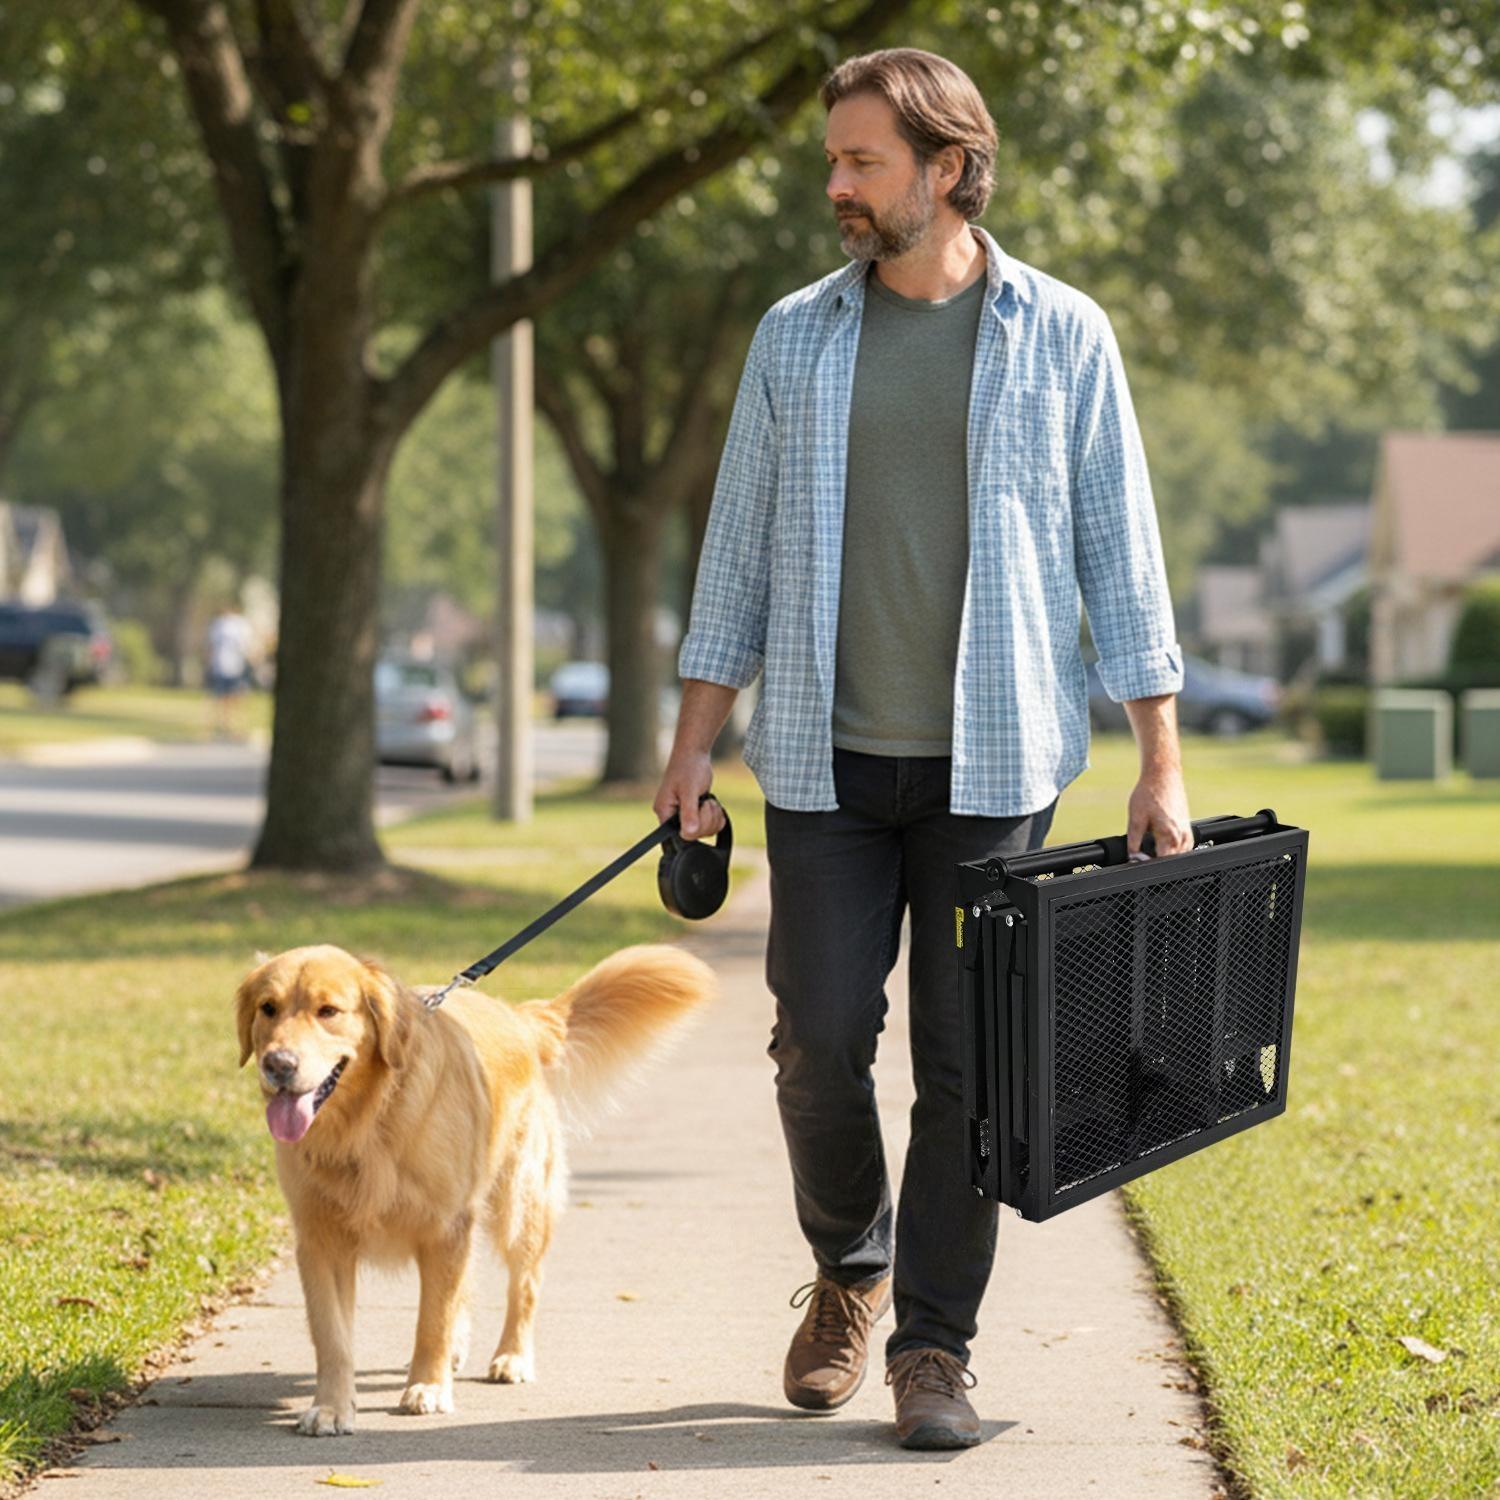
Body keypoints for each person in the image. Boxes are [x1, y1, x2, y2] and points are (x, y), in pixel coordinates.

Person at [652, 47, 1193, 1451]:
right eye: (832, 160)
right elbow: (738, 560)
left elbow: (1119, 559)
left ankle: (934, 1349)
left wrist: (1159, 759)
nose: (836, 183)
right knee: (815, 1041)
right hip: (826, 770)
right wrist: (691, 748)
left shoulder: (1062, 333)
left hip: (997, 767)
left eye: (862, 161)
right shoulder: (795, 336)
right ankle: (848, 1265)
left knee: (968, 1072)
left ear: (948, 168)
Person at [206, 602, 255, 740]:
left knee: (231, 697)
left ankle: (230, 726)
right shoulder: (225, 624)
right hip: (227, 666)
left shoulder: (228, 624)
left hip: (232, 666)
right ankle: (226, 726)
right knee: (227, 697)